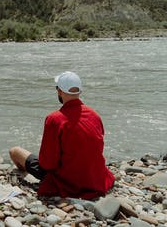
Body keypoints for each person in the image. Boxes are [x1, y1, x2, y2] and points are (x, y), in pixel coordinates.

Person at [9, 71, 115, 199]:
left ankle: (21, 175)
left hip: (68, 181)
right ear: (80, 91)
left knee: (14, 151)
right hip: (95, 178)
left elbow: (48, 163)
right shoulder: (94, 115)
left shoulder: (54, 119)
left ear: (59, 91)